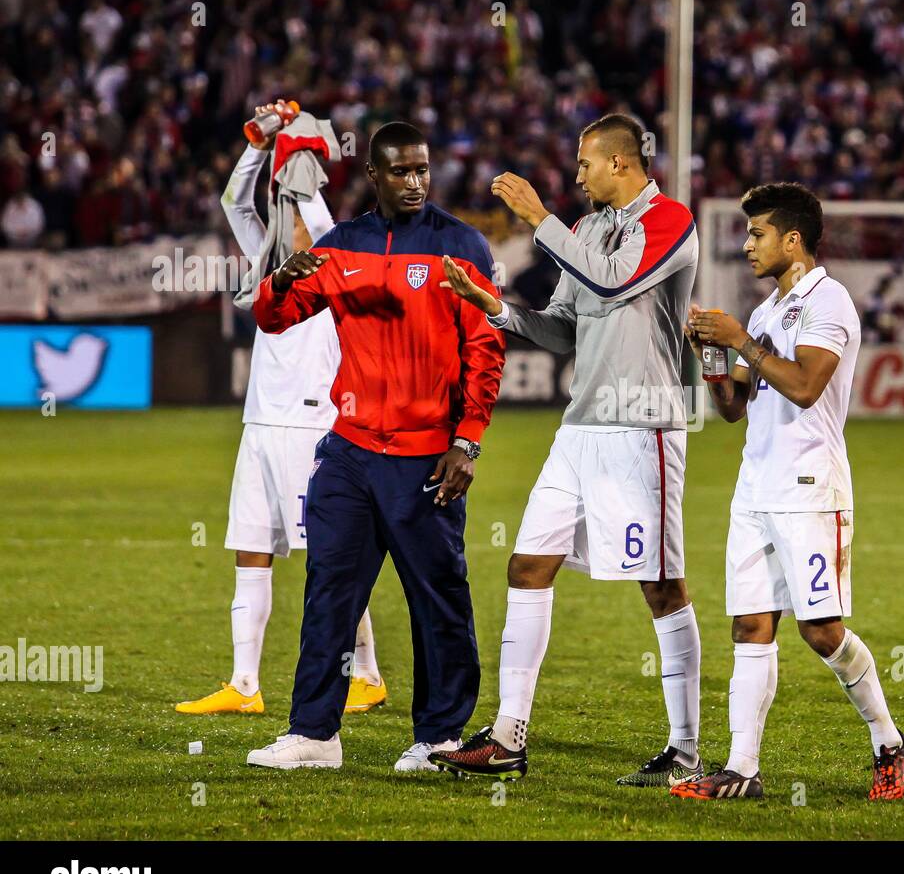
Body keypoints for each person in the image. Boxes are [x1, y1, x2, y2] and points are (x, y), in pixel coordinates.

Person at [434, 114, 704, 786]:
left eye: (585, 163)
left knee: (661, 585)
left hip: (642, 427)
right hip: (579, 429)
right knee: (528, 566)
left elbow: (614, 282)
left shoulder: (670, 221)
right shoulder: (584, 230)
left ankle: (686, 748)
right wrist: (493, 304)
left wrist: (537, 218)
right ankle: (507, 737)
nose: (577, 175)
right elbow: (562, 330)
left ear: (620, 163)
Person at [245, 121, 506, 769]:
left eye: (423, 169)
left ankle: (440, 736)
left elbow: (485, 346)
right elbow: (275, 318)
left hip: (426, 456)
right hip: (350, 453)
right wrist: (279, 281)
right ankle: (314, 735)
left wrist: (467, 440)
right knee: (329, 590)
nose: (415, 181)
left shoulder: (460, 245)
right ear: (374, 175)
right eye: (401, 171)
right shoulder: (342, 246)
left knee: (437, 597)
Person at [672, 183, 904, 801]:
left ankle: (888, 740)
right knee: (750, 627)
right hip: (755, 485)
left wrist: (741, 342)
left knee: (822, 631)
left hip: (810, 487)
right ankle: (742, 770)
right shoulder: (763, 312)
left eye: (757, 234)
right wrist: (715, 360)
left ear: (793, 239)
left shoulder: (828, 302)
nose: (747, 244)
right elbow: (735, 408)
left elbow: (806, 386)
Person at [177, 102, 387, 718]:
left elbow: (311, 211)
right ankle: (244, 684)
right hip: (260, 427)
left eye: (293, 209)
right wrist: (259, 143)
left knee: (331, 556)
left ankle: (367, 675)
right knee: (250, 547)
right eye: (285, 210)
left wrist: (297, 150)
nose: (286, 217)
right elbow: (233, 204)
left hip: (309, 427)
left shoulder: (334, 259)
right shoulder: (274, 261)